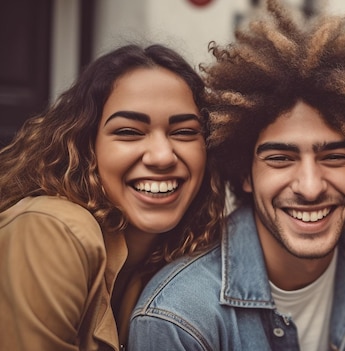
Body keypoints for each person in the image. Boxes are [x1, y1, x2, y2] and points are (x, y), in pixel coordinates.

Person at [128, 1, 345, 350]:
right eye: (280, 158)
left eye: (334, 157)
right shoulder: (180, 318)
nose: (309, 187)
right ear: (246, 174)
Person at [0, 44, 226, 351]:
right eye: (130, 132)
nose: (162, 156)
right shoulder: (52, 229)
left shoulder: (169, 254)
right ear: (85, 146)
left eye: (184, 132)